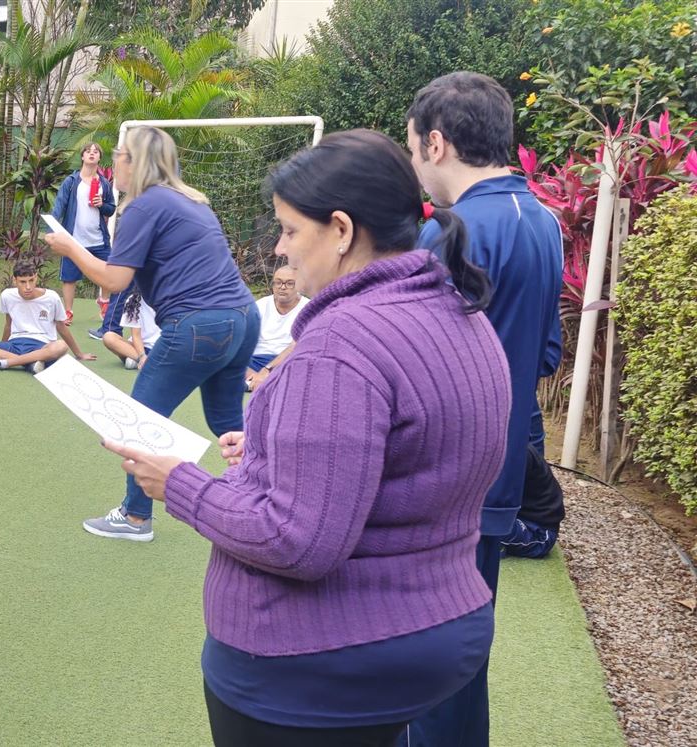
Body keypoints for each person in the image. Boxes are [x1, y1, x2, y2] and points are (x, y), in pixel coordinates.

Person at [103, 129, 508, 745]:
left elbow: (296, 540)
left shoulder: (340, 347)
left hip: (317, 660)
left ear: (341, 230)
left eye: (291, 230)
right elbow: (409, 460)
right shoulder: (460, 313)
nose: (280, 249)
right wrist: (264, 453)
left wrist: (178, 485)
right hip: (439, 627)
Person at [404, 71, 566, 747]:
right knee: (464, 652)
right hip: (498, 476)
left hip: (444, 480)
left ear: (436, 143)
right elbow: (547, 354)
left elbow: (405, 364)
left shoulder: (455, 233)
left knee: (427, 661)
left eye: (412, 148)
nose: (413, 162)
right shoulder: (546, 221)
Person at [42, 125, 259, 542]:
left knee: (137, 422)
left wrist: (70, 248)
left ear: (135, 162)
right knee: (228, 421)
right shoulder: (193, 201)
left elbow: (116, 280)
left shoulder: (142, 206)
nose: (113, 164)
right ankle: (266, 489)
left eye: (119, 156)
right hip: (243, 318)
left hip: (199, 324)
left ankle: (136, 518)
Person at [0, 259, 96, 372]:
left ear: (36, 277)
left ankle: (2, 363)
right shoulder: (7, 295)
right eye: (23, 282)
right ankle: (29, 363)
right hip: (14, 344)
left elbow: (61, 327)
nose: (28, 287)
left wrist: (79, 354)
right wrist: (1, 345)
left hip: (42, 346)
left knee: (61, 346)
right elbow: (8, 324)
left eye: (31, 280)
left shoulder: (52, 297)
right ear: (15, 281)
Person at [51, 142, 117, 323]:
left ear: (99, 158)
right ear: (82, 156)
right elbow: (59, 207)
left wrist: (101, 205)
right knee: (69, 278)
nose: (92, 154)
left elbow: (111, 209)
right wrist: (53, 230)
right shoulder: (71, 182)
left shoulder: (104, 183)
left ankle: (104, 302)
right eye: (88, 151)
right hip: (74, 240)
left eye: (96, 152)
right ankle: (68, 312)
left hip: (98, 239)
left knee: (108, 272)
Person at [244, 265, 309, 390]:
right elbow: (242, 343)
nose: (282, 287)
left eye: (289, 283)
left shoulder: (308, 308)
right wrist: (252, 374)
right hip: (255, 361)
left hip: (287, 362)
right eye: (278, 282)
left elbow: (297, 345)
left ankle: (263, 384)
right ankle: (265, 384)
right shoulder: (259, 306)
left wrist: (268, 370)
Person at [500, 445, 564, 559]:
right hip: (517, 518)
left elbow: (496, 502)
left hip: (538, 533)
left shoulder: (517, 454)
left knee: (479, 524)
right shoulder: (512, 446)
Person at [100, 294, 160, 370]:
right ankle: (143, 361)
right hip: (137, 348)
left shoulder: (169, 299)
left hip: (160, 347)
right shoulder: (133, 300)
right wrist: (142, 356)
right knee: (108, 337)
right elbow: (136, 335)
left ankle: (137, 360)